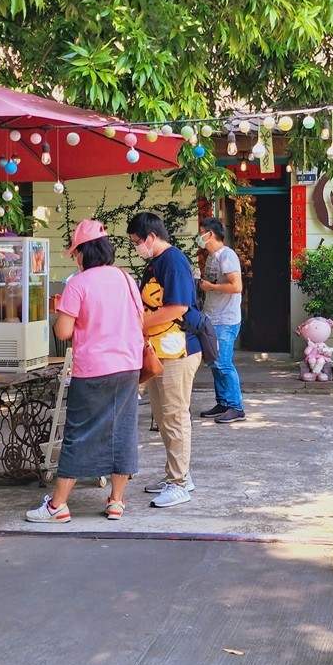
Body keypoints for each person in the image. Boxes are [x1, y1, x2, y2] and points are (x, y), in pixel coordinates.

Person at [26, 220, 144, 523]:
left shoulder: (78, 283)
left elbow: (63, 332)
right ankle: (116, 502)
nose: (74, 258)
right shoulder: (126, 279)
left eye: (75, 252)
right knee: (123, 431)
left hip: (92, 370)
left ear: (84, 252)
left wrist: (59, 316)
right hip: (129, 366)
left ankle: (57, 506)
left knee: (79, 434)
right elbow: (139, 319)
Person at [127, 211, 202, 508]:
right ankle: (178, 474)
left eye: (137, 241)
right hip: (161, 351)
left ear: (152, 237)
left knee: (174, 416)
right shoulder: (157, 263)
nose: (136, 246)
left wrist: (135, 326)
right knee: (163, 418)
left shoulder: (172, 261)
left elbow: (177, 307)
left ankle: (179, 482)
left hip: (177, 350)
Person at [196, 217, 245, 423]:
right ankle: (223, 402)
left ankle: (236, 407)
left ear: (210, 234)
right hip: (212, 318)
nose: (199, 237)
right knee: (215, 363)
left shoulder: (227, 255)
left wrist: (211, 287)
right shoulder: (212, 257)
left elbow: (236, 286)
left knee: (223, 363)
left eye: (201, 233)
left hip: (226, 319)